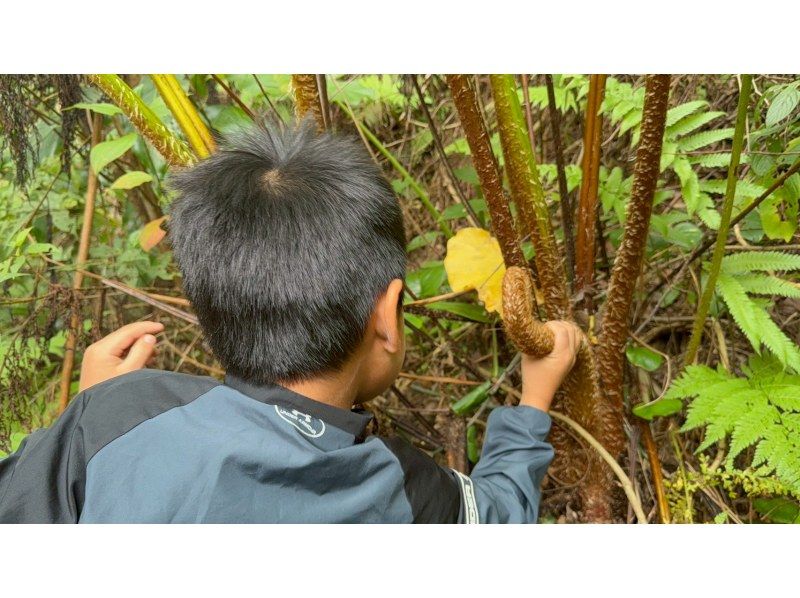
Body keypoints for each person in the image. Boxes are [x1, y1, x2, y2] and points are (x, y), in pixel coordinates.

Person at [0, 121, 581, 523]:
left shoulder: (119, 415)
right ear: (387, 316)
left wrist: (96, 418)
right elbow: (500, 514)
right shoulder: (401, 489)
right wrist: (533, 401)